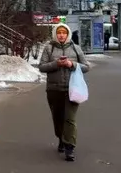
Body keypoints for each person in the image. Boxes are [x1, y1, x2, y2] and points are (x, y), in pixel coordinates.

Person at [38, 22, 89, 162]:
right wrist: (56, 64)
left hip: (72, 90)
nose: (61, 35)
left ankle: (69, 147)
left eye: (64, 33)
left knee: (70, 119)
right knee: (58, 118)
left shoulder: (76, 48)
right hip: (54, 89)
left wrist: (72, 64)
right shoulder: (49, 48)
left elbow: (86, 67)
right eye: (59, 32)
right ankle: (61, 138)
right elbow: (42, 67)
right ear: (55, 34)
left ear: (68, 34)